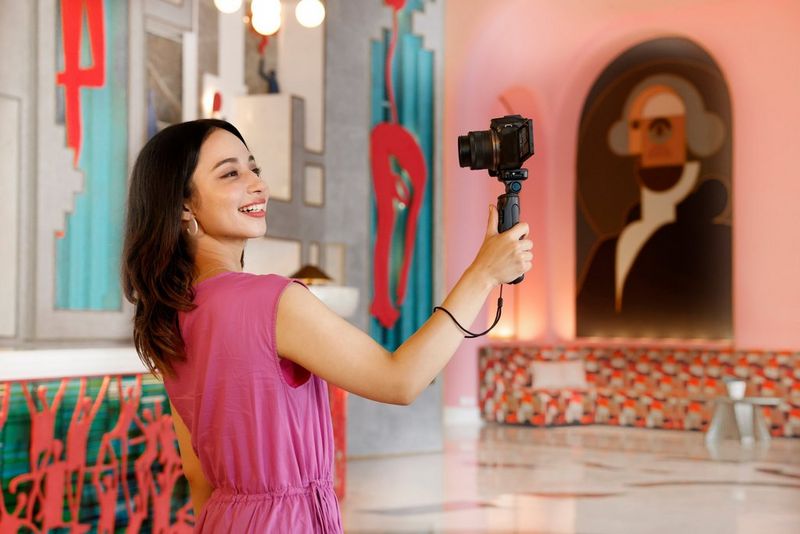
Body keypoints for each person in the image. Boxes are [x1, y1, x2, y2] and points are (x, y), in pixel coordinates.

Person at [121, 119, 532, 532]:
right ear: (184, 205)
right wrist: (482, 274)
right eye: (230, 173)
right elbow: (400, 380)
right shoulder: (270, 301)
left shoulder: (169, 317)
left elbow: (199, 478)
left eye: (254, 169)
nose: (258, 184)